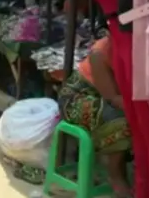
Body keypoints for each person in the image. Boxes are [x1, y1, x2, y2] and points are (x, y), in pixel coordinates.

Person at [58, 34, 132, 197]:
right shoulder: (101, 53)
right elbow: (113, 98)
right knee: (120, 119)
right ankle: (115, 175)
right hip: (77, 98)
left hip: (108, 99)